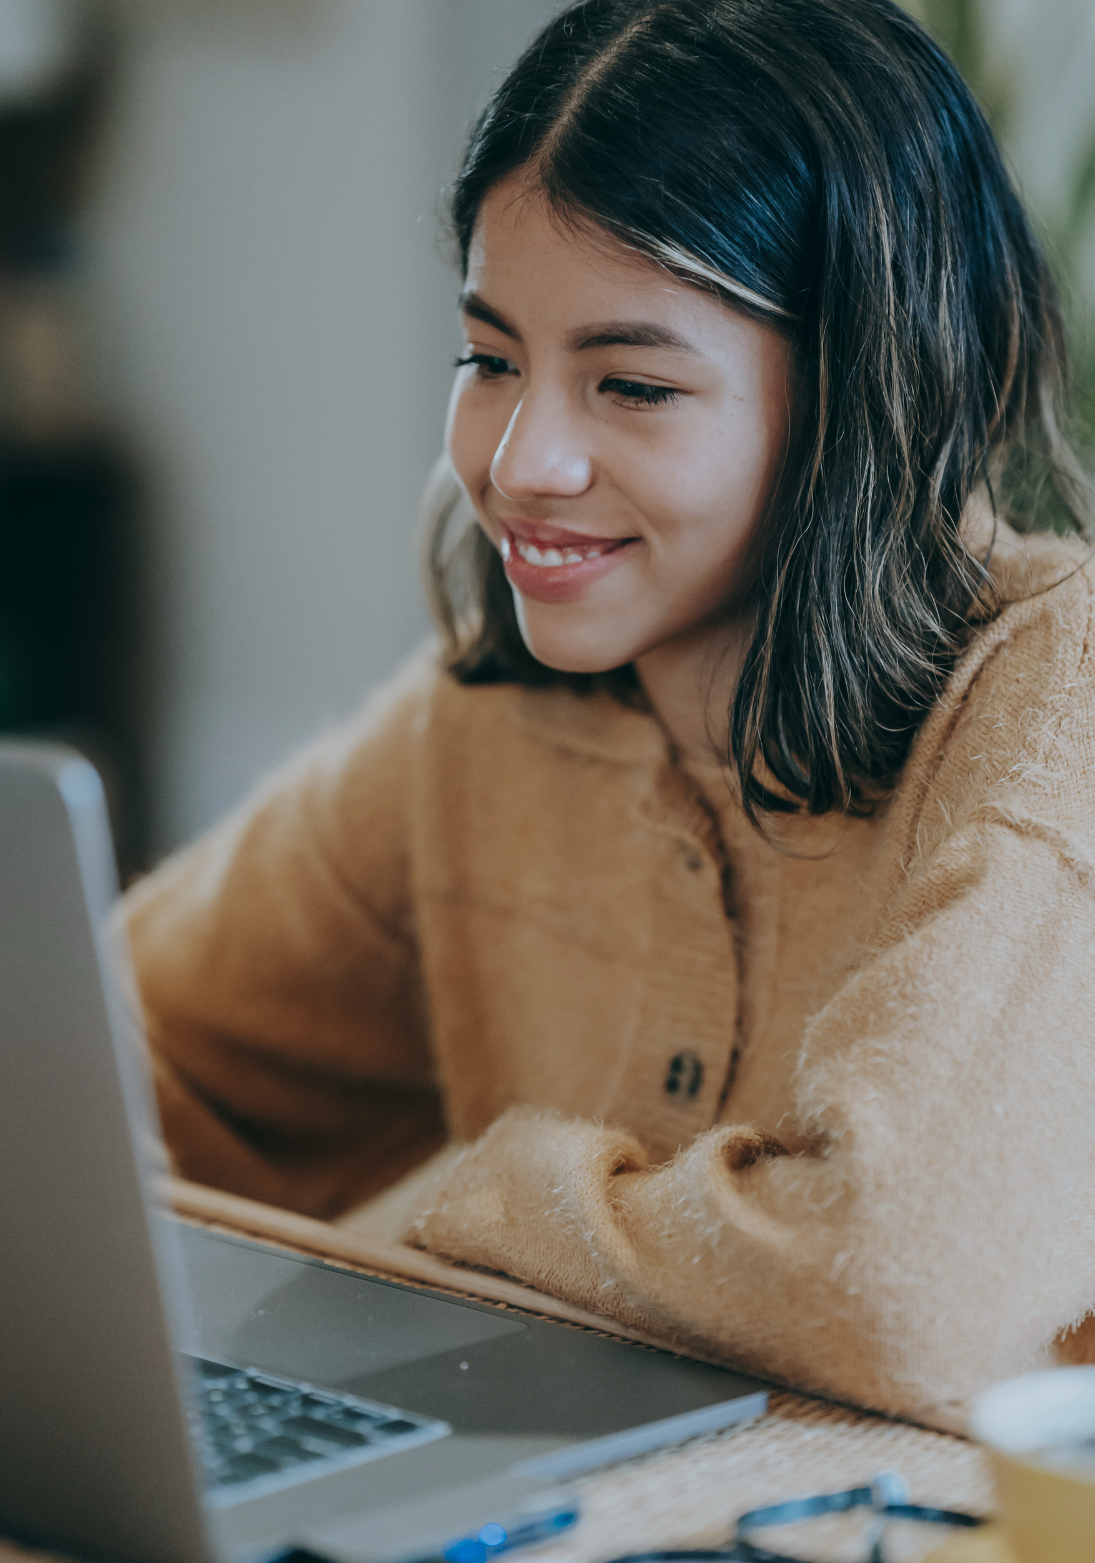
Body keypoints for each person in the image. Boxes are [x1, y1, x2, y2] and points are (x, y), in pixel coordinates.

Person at [121, 0, 1095, 1429]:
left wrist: (474, 1192)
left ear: (865, 392)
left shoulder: (1054, 689)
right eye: (490, 358)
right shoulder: (485, 723)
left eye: (630, 383)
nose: (519, 462)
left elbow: (889, 1287)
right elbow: (102, 1051)